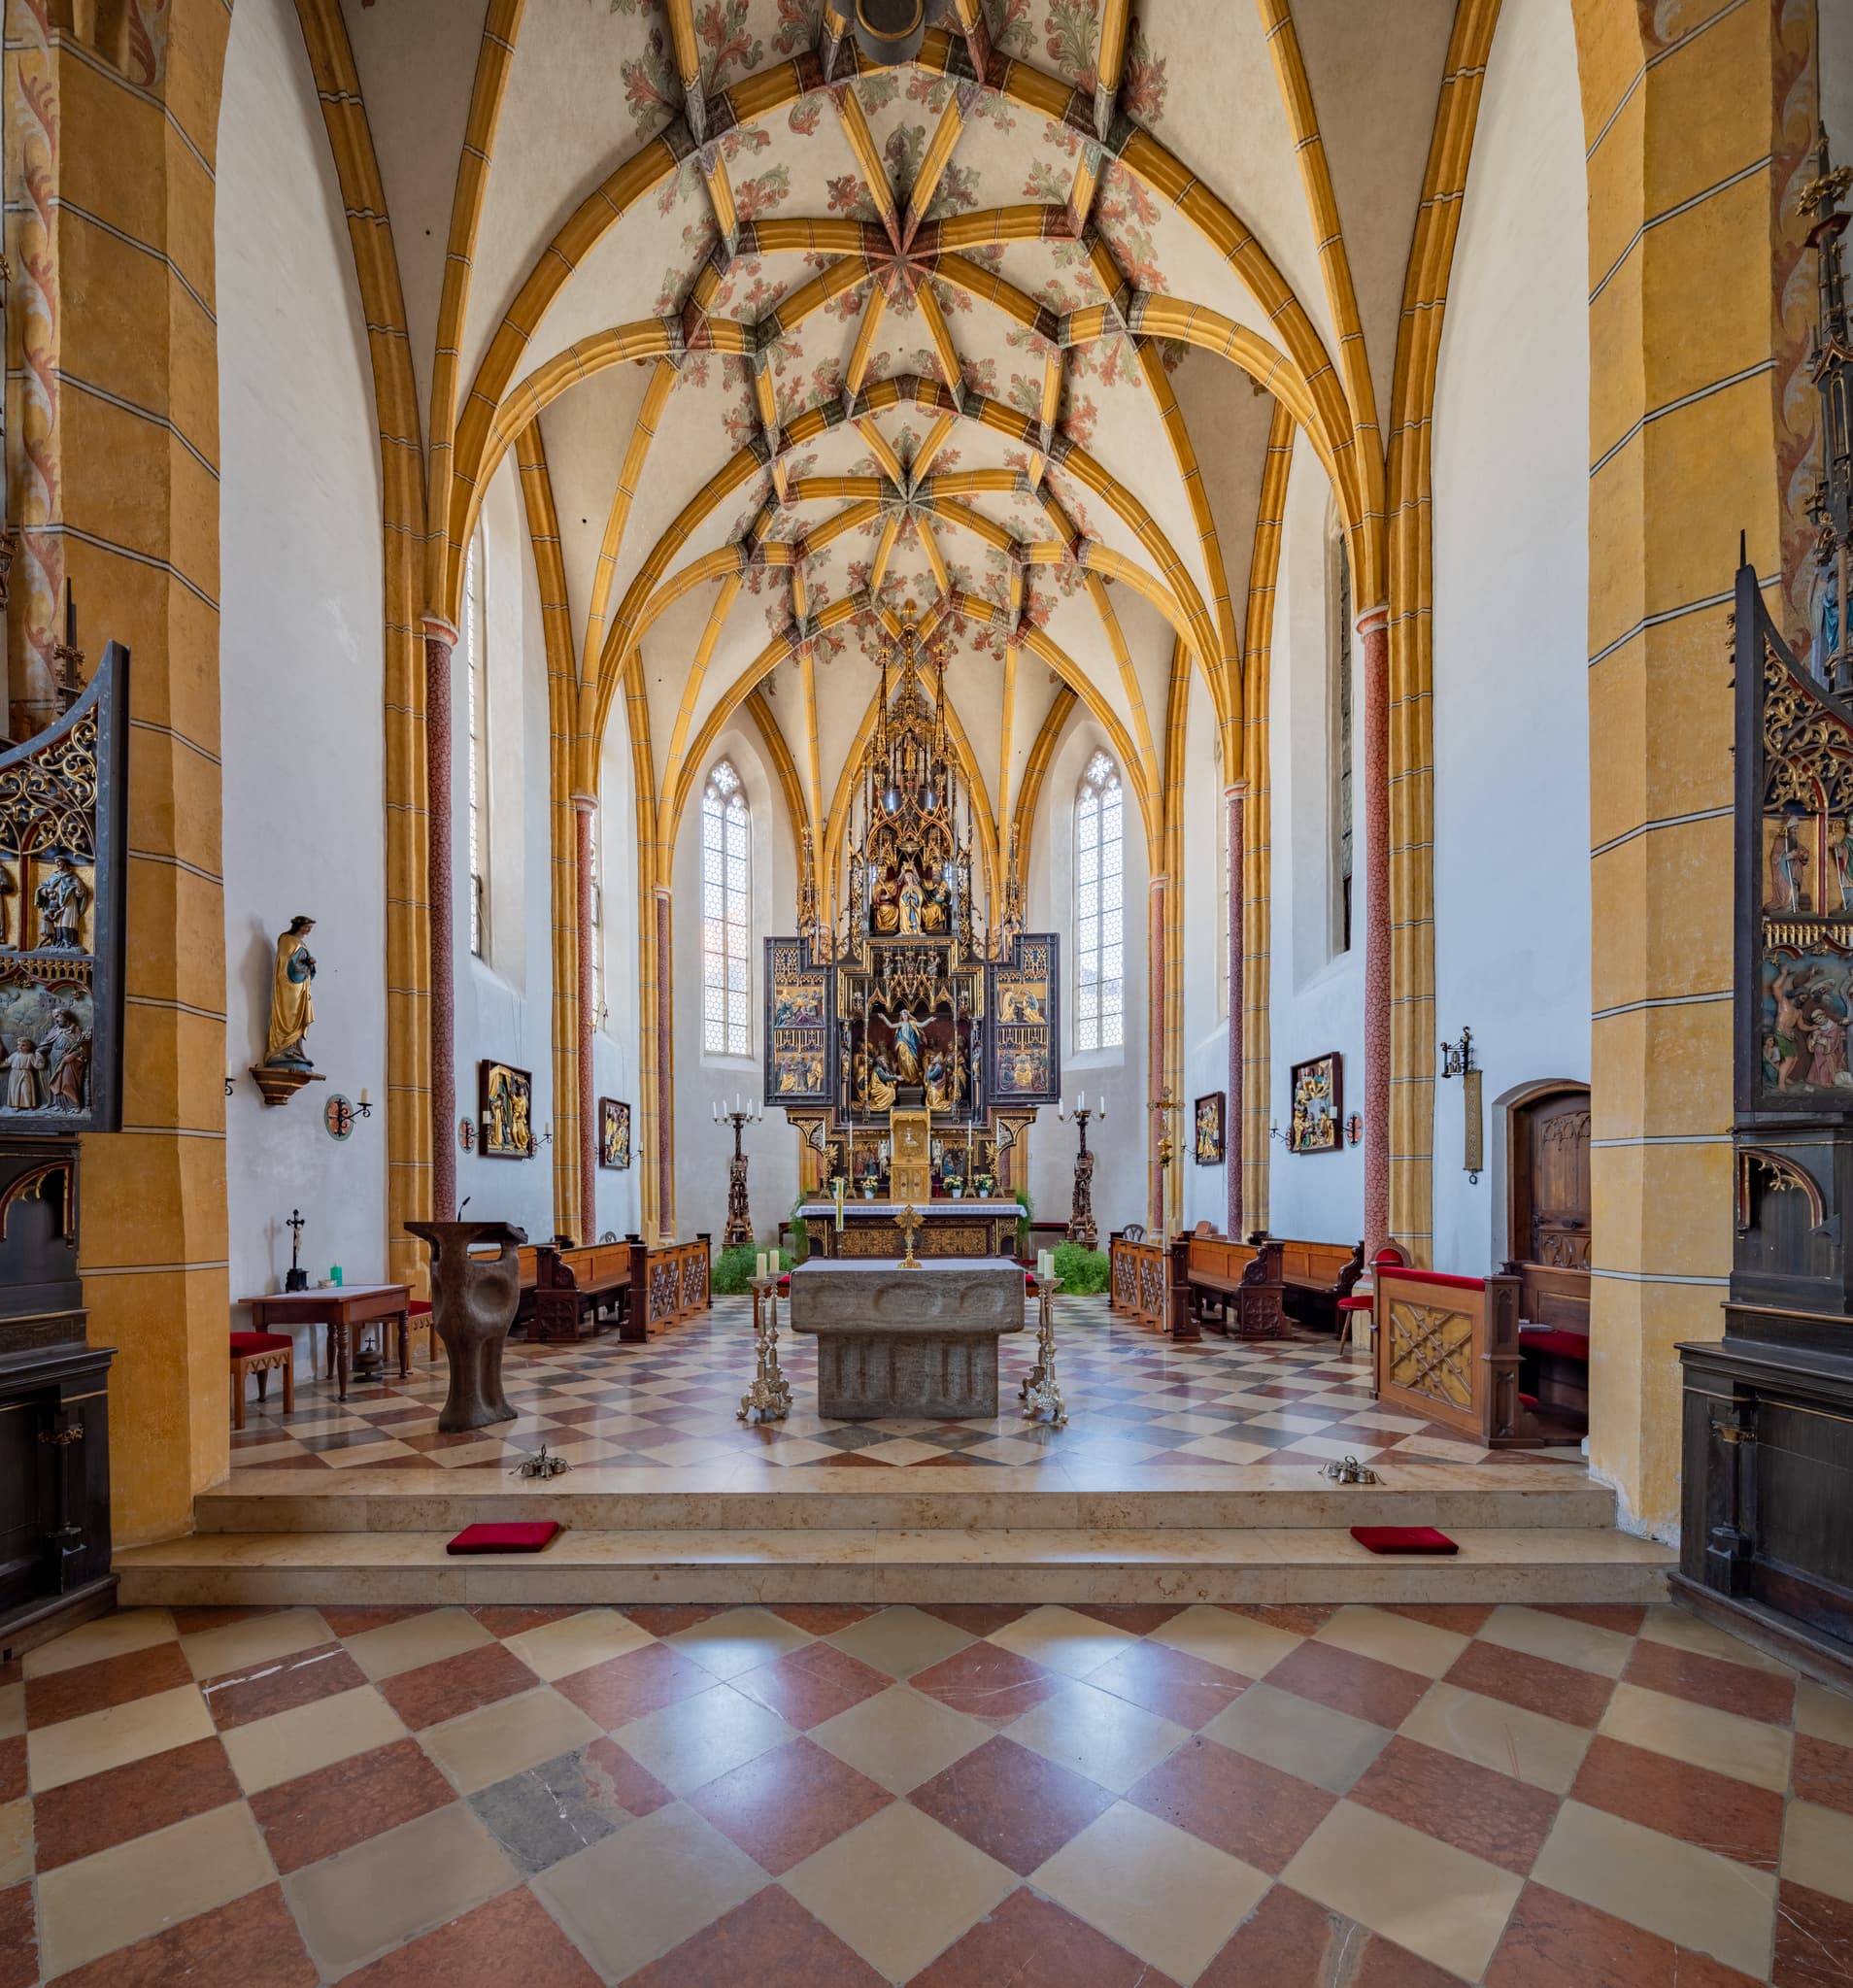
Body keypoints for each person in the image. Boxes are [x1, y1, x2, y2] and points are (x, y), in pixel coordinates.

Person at [264, 916, 317, 1067]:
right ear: (298, 926)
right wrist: (301, 967)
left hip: (302, 986)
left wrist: (309, 964)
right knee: (289, 1016)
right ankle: (282, 1049)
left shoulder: (302, 944)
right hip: (289, 987)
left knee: (300, 1020)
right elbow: (286, 963)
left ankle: (297, 1050)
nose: (308, 931)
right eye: (307, 927)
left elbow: (302, 962)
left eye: (310, 928)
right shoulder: (287, 939)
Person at [34, 855, 88, 951]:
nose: (57, 864)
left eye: (59, 862)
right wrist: (47, 890)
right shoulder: (53, 877)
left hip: (69, 903)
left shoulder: (72, 877)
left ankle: (68, 942)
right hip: (55, 904)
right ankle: (57, 941)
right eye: (56, 862)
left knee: (67, 922)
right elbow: (41, 888)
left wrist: (79, 889)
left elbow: (80, 894)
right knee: (57, 923)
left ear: (64, 862)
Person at [42, 1008, 88, 1112]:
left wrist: (72, 1056)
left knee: (67, 1082)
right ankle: (59, 1103)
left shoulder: (75, 1029)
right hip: (55, 1058)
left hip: (70, 1060)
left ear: (65, 1015)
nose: (56, 1020)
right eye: (54, 1018)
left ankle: (74, 1105)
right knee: (56, 1080)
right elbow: (46, 1044)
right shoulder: (55, 1029)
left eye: (58, 1016)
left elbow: (83, 1048)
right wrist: (39, 1052)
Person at [5, 1036, 44, 1112]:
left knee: (26, 1090)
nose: (20, 1047)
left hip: (26, 1074)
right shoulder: (14, 1055)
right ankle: (16, 1105)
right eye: (18, 1045)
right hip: (15, 1074)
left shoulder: (30, 1055)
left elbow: (36, 1065)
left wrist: (41, 1061)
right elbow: (7, 1063)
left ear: (28, 1047)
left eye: (23, 1045)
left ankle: (29, 1105)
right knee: (15, 1090)